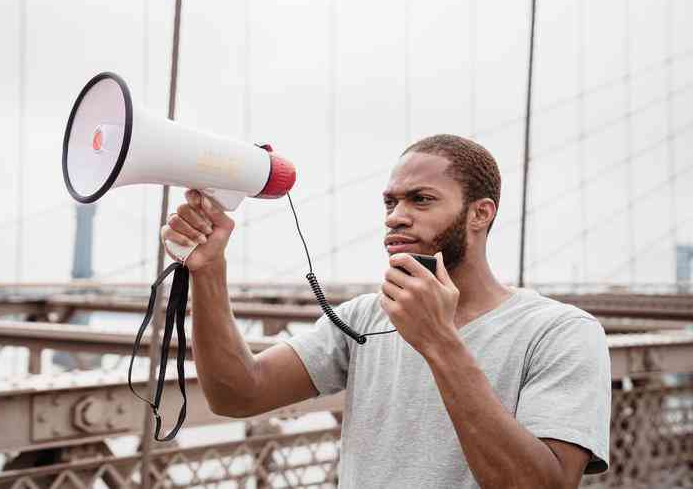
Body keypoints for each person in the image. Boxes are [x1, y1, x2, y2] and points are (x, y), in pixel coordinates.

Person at [161, 134, 611, 488]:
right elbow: (238, 393)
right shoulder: (363, 318)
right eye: (390, 202)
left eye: (421, 200)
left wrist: (438, 341)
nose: (396, 216)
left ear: (481, 214)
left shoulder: (562, 333)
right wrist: (209, 271)